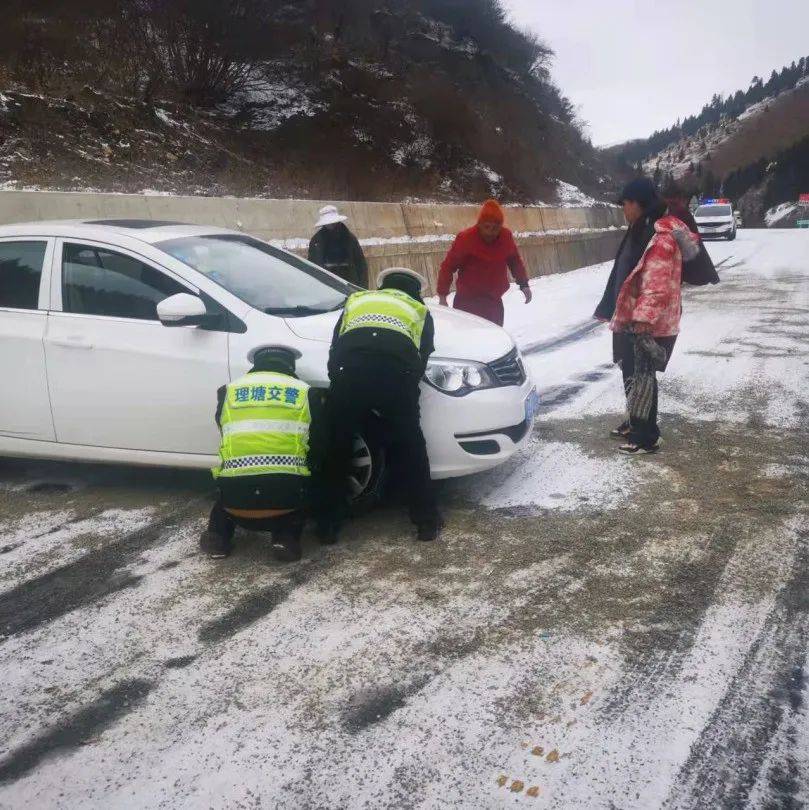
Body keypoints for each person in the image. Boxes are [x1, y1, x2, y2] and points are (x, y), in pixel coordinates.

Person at [319, 267, 441, 542]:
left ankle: (327, 525)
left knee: (336, 446)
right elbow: (423, 354)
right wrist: (406, 390)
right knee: (411, 446)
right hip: (395, 378)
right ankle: (426, 522)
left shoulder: (357, 301)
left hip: (350, 374)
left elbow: (336, 344)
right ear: (415, 291)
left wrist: (337, 377)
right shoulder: (419, 311)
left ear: (383, 286)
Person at [594, 178, 698, 455]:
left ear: (638, 203)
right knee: (629, 371)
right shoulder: (640, 229)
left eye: (626, 204)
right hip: (629, 316)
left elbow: (657, 284)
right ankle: (635, 421)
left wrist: (643, 320)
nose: (624, 210)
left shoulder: (661, 236)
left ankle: (646, 437)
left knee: (642, 376)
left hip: (646, 322)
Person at [199, 346, 327, 562]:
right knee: (304, 484)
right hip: (286, 499)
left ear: (255, 365)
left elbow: (223, 428)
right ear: (290, 366)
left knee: (227, 486)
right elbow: (321, 443)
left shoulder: (228, 392)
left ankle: (217, 537)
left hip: (234, 502)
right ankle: (285, 538)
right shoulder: (306, 392)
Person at [437, 199, 532, 326]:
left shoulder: (505, 237)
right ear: (480, 223)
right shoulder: (466, 239)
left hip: (493, 303)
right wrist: (443, 295)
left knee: (495, 342)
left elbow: (514, 261)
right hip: (467, 303)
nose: (490, 232)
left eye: (495, 227)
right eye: (487, 226)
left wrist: (524, 284)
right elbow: (448, 266)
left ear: (500, 226)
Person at [661, 179, 720, 286]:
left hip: (664, 267)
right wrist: (710, 273)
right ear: (680, 198)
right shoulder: (682, 213)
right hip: (678, 264)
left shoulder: (661, 212)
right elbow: (697, 243)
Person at [308, 204, 369, 288]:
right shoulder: (316, 241)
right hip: (326, 285)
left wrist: (363, 288)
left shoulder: (350, 239)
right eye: (328, 223)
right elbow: (313, 266)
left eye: (333, 222)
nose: (331, 225)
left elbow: (360, 264)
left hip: (350, 284)